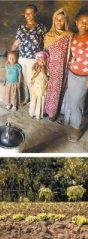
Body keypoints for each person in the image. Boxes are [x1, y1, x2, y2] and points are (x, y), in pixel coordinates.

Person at [12, 4, 47, 104]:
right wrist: (11, 54)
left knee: (32, 80)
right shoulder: (21, 28)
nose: (27, 15)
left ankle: (34, 102)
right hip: (22, 58)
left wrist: (43, 58)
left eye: (30, 13)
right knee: (24, 81)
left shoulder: (41, 28)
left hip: (34, 59)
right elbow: (16, 43)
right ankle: (27, 98)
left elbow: (45, 44)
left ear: (35, 13)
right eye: (26, 13)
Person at [62, 11, 88, 143]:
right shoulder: (74, 37)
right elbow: (72, 56)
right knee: (72, 98)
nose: (85, 24)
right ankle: (71, 120)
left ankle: (77, 128)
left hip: (84, 77)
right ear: (76, 23)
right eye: (82, 22)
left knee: (78, 102)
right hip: (72, 73)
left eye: (87, 22)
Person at [43, 8, 73, 121]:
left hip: (60, 68)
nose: (59, 22)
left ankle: (52, 113)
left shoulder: (69, 35)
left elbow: (71, 52)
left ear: (65, 22)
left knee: (56, 91)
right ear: (53, 20)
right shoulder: (48, 35)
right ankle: (46, 109)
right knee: (47, 89)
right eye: (57, 19)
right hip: (49, 66)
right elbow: (45, 52)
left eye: (62, 20)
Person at [29, 51, 49, 119]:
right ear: (37, 60)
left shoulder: (46, 69)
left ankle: (38, 115)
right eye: (40, 61)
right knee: (34, 100)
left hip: (42, 89)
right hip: (35, 89)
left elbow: (47, 80)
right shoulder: (35, 68)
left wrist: (43, 72)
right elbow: (32, 78)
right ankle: (32, 113)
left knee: (40, 102)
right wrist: (38, 71)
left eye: (44, 61)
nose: (42, 63)